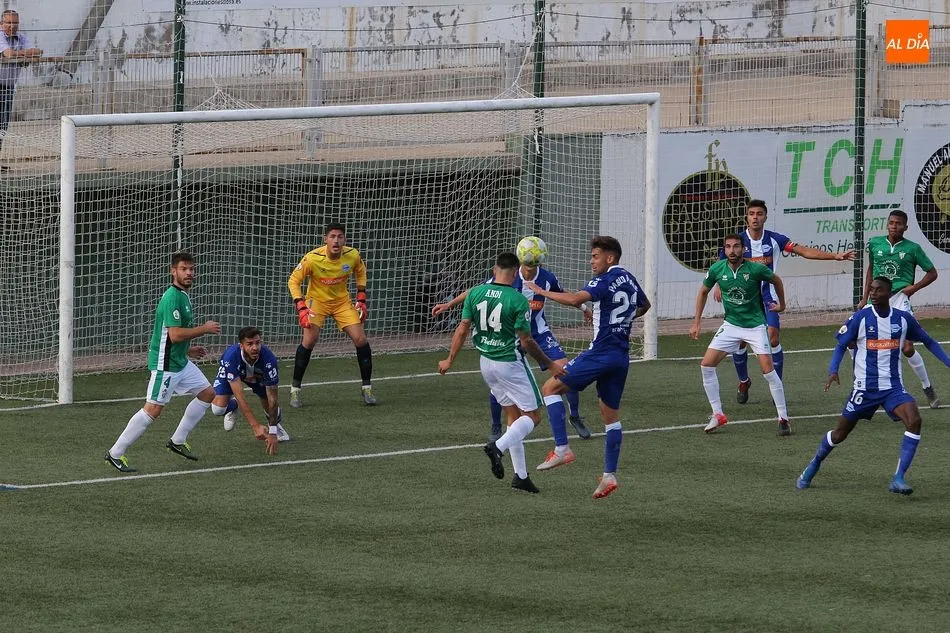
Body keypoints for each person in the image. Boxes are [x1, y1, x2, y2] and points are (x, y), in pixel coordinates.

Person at [796, 276, 950, 495]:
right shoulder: (860, 318)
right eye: (871, 289)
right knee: (839, 434)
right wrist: (833, 370)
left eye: (878, 290)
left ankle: (898, 478)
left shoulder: (903, 319)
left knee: (914, 420)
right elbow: (840, 345)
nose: (873, 293)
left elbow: (929, 341)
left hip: (893, 389)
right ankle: (814, 464)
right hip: (864, 390)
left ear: (888, 293)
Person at [524, 236, 651, 499]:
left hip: (600, 353)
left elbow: (574, 300)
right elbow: (644, 305)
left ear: (610, 258)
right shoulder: (628, 278)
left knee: (549, 388)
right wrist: (624, 321)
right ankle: (609, 476)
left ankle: (562, 450)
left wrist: (541, 290)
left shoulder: (603, 280)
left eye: (595, 256)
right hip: (620, 357)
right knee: (611, 418)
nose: (591, 261)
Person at [431, 249, 592, 443]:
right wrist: (450, 304)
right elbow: (473, 291)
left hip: (538, 333)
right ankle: (496, 425)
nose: (530, 268)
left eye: (534, 264)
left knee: (566, 371)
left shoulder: (547, 277)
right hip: (510, 334)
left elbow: (563, 294)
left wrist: (583, 307)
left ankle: (574, 416)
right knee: (500, 383)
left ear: (539, 262)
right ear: (520, 265)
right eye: (527, 264)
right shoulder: (507, 277)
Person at [438, 252, 565, 494]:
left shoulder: (476, 292)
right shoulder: (518, 300)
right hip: (510, 363)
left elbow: (463, 329)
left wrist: (449, 360)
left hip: (486, 363)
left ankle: (521, 476)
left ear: (494, 269)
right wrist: (550, 364)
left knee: (513, 417)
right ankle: (498, 446)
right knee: (534, 417)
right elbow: (527, 342)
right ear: (516, 271)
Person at [716, 199, 856, 404]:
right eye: (752, 213)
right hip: (742, 300)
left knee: (773, 338)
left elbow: (803, 251)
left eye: (759, 214)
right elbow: (721, 265)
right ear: (746, 216)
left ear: (765, 217)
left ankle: (777, 385)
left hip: (767, 297)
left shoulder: (775, 240)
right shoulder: (737, 242)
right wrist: (718, 286)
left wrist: (835, 256)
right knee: (740, 342)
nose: (755, 217)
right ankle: (744, 380)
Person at [105, 252, 220, 472]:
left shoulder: (183, 295)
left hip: (180, 361)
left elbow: (173, 336)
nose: (189, 273)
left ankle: (177, 440)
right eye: (184, 269)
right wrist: (204, 330)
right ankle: (115, 453)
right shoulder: (171, 297)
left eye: (191, 269)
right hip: (165, 365)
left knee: (207, 393)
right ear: (173, 271)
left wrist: (188, 350)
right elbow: (175, 334)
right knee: (153, 410)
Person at [689, 233, 791, 436]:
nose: (732, 250)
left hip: (754, 326)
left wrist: (782, 305)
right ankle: (718, 414)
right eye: (728, 247)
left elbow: (777, 281)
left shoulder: (755, 268)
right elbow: (702, 292)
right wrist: (696, 323)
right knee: (706, 366)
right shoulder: (717, 269)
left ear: (743, 249)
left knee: (768, 372)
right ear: (724, 250)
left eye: (736, 246)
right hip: (731, 325)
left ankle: (783, 418)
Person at [288, 222, 375, 407]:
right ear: (325, 239)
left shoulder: (352, 255)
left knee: (361, 339)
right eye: (332, 236)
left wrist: (361, 297)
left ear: (344, 239)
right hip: (316, 302)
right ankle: (295, 390)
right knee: (309, 341)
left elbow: (361, 272)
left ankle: (367, 388)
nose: (336, 240)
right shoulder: (312, 258)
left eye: (340, 236)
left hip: (342, 302)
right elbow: (293, 281)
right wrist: (301, 306)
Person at [859, 209, 939, 408]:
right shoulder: (875, 243)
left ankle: (927, 387)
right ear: (887, 224)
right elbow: (871, 269)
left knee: (907, 347)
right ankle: (869, 390)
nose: (894, 226)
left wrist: (913, 288)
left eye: (899, 223)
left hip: (899, 298)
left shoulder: (913, 248)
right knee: (864, 343)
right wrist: (864, 298)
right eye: (891, 222)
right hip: (876, 298)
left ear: (905, 227)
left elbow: (932, 273)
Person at [210, 326, 290, 455]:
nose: (255, 347)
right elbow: (240, 396)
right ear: (241, 346)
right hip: (235, 372)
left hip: (256, 375)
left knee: (268, 400)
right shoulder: (231, 357)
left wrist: (273, 431)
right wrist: (255, 426)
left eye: (257, 343)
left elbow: (273, 399)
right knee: (217, 409)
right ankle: (233, 405)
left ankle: (275, 426)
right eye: (250, 344)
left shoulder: (269, 360)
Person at [0, 10, 42, 162]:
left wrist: (19, 53)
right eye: (9, 23)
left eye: (15, 23)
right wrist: (24, 54)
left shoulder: (21, 37)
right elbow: (8, 54)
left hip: (9, 86)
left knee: (3, 125)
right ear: (1, 24)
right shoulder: (0, 36)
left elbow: (37, 52)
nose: (12, 26)